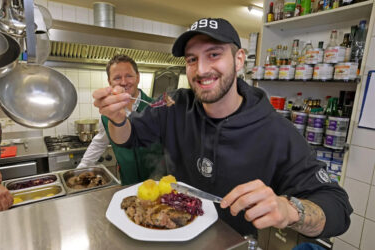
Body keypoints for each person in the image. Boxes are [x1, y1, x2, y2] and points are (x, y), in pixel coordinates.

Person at [92, 18, 352, 238]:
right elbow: (128, 137)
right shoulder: (173, 105)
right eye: (192, 59)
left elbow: (337, 207)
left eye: (214, 54)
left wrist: (290, 210)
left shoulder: (276, 131)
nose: (201, 69)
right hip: (173, 239)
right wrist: (117, 119)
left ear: (239, 59)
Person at [78, 54, 166, 185]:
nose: (124, 82)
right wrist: (81, 168)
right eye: (117, 77)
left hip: (158, 184)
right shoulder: (108, 114)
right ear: (110, 82)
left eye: (129, 75)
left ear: (138, 77)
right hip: (127, 184)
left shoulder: (157, 108)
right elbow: (99, 143)